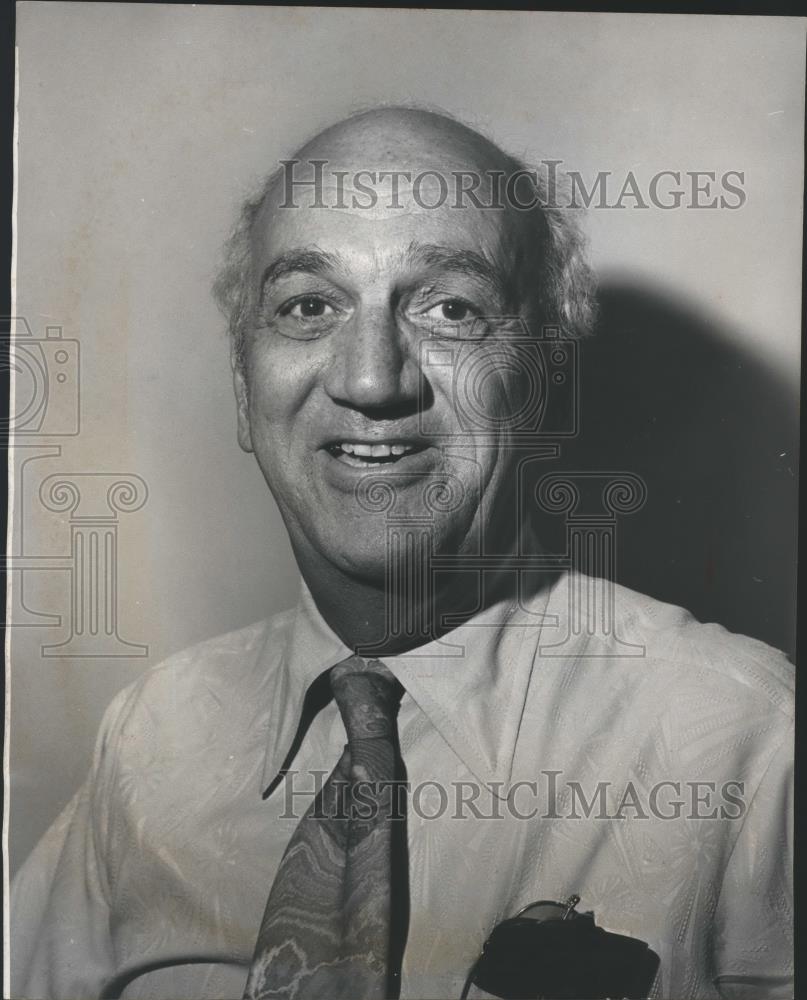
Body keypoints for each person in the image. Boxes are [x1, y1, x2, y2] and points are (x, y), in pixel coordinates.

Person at [11, 107, 793, 1000]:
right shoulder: (153, 738)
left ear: (541, 382)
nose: (372, 379)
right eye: (308, 306)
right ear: (244, 391)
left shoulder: (749, 747)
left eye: (450, 309)